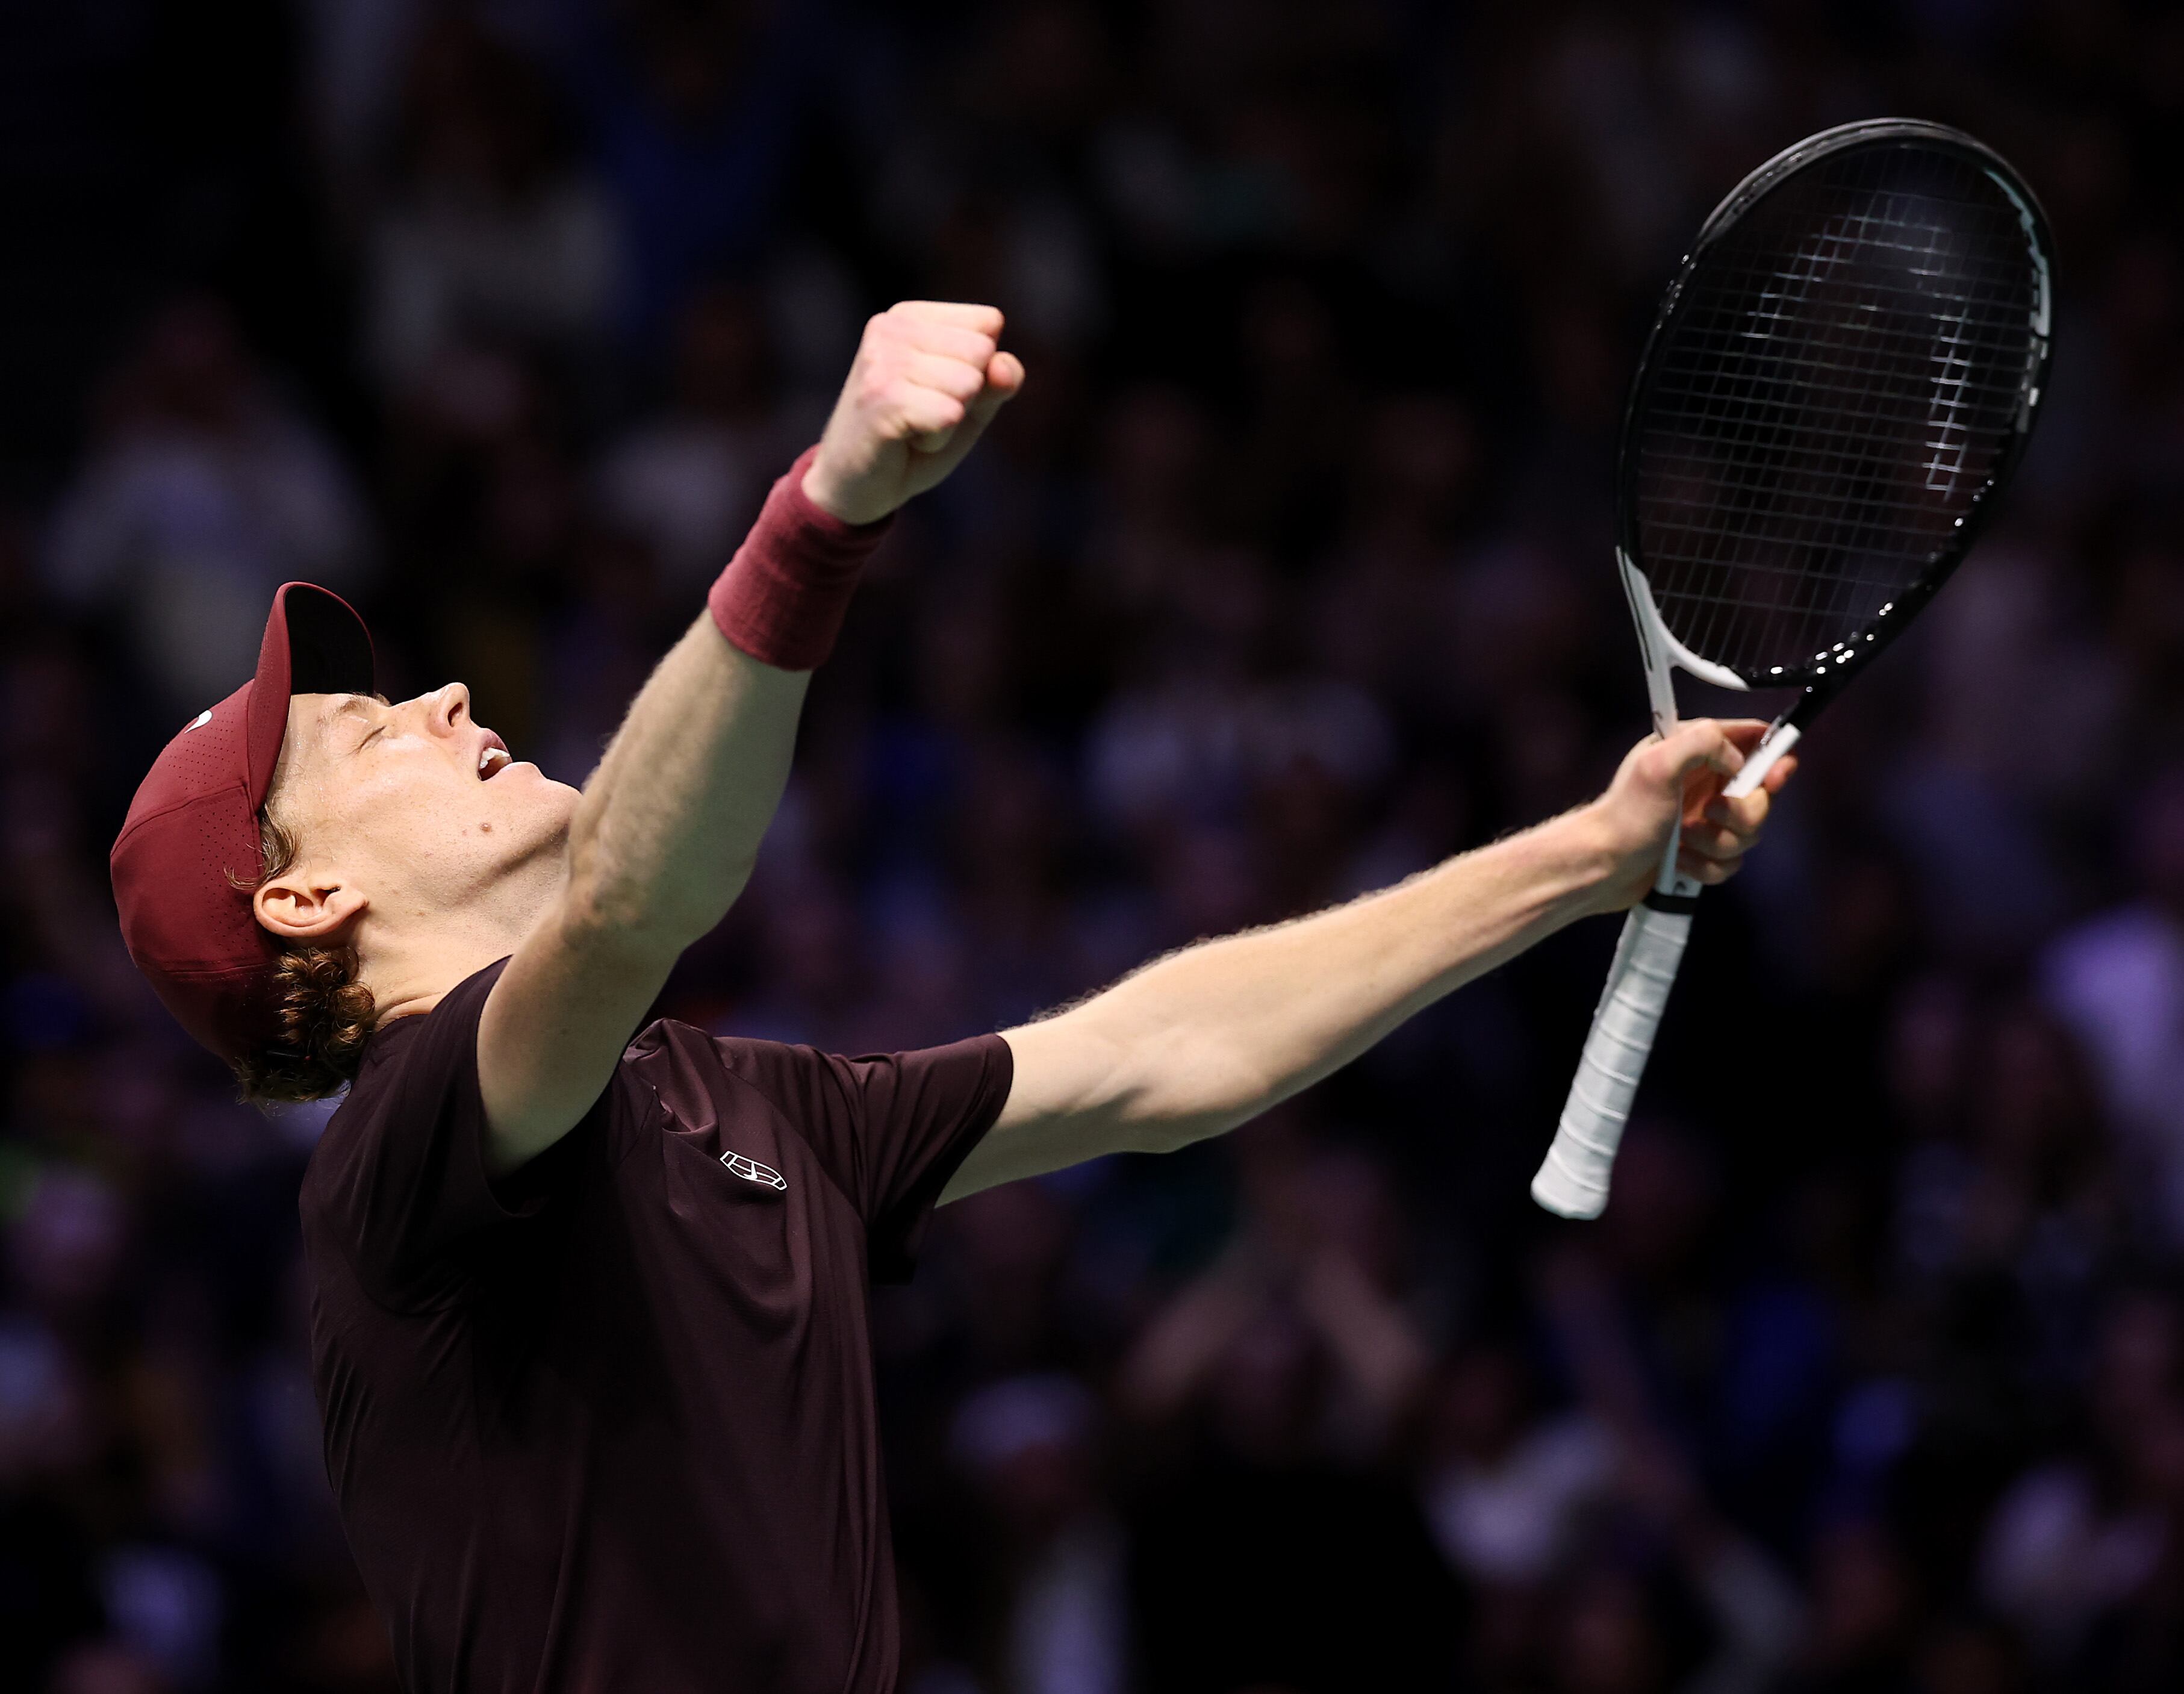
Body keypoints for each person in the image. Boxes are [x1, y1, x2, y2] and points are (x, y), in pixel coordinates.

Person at [104, 301, 1790, 1693]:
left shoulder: (754, 1113)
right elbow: (630, 901)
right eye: (364, 732)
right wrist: (820, 516)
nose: (444, 694)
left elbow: (1161, 1052)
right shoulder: (402, 1158)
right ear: (304, 897)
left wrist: (1585, 852)